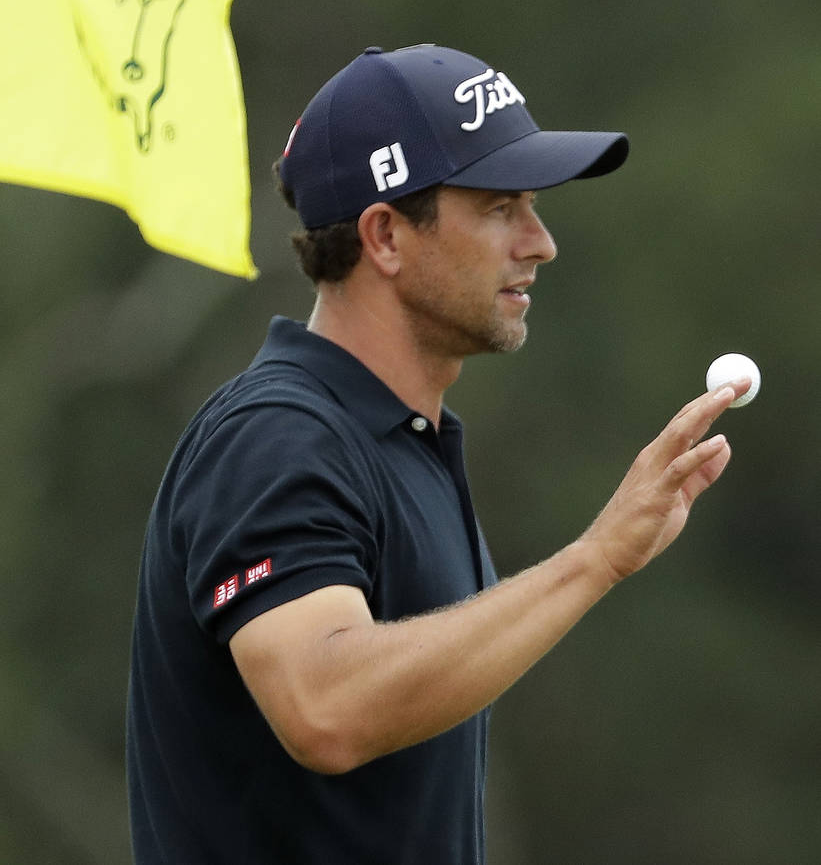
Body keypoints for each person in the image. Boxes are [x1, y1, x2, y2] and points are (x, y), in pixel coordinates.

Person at [127, 44, 749, 865]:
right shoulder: (277, 434)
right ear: (384, 235)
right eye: (499, 208)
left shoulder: (405, 443)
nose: (539, 242)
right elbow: (325, 707)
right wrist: (594, 559)